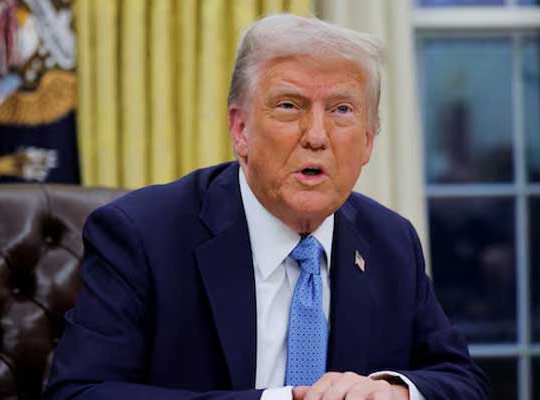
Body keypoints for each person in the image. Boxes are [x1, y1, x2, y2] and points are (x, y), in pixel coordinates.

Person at [43, 14, 488, 400]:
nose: (316, 135)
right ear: (240, 130)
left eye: (342, 110)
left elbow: (464, 382)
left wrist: (395, 390)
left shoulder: (391, 242)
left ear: (369, 140)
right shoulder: (142, 235)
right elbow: (80, 393)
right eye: (289, 106)